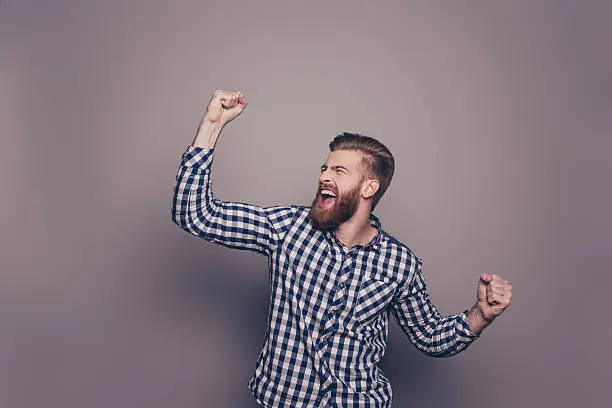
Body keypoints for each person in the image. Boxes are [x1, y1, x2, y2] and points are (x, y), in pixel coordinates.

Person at [171, 89, 512, 407]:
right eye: (324, 168)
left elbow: (431, 337)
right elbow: (195, 214)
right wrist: (212, 126)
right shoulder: (287, 229)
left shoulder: (399, 264)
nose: (323, 176)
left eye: (338, 170)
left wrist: (480, 315)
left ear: (368, 188)